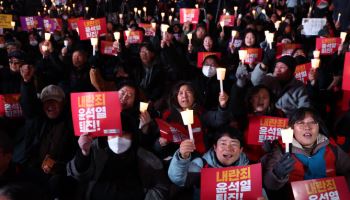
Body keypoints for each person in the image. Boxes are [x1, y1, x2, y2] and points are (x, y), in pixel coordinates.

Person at [66, 112, 169, 200]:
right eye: (113, 133)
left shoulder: (146, 158)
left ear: (132, 136)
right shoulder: (96, 150)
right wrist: (84, 153)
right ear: (106, 136)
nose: (118, 138)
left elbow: (161, 187)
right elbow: (77, 175)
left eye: (123, 133)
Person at [262, 107, 350, 198]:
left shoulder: (332, 147)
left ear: (319, 127)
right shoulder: (282, 150)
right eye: (300, 123)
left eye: (312, 122)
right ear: (292, 129)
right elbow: (269, 184)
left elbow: (348, 169)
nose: (307, 127)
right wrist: (277, 174)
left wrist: (345, 190)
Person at [168, 126, 249, 200]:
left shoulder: (248, 169)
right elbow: (178, 179)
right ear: (215, 147)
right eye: (223, 143)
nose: (228, 148)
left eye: (234, 144)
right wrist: (182, 157)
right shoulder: (201, 165)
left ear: (241, 150)